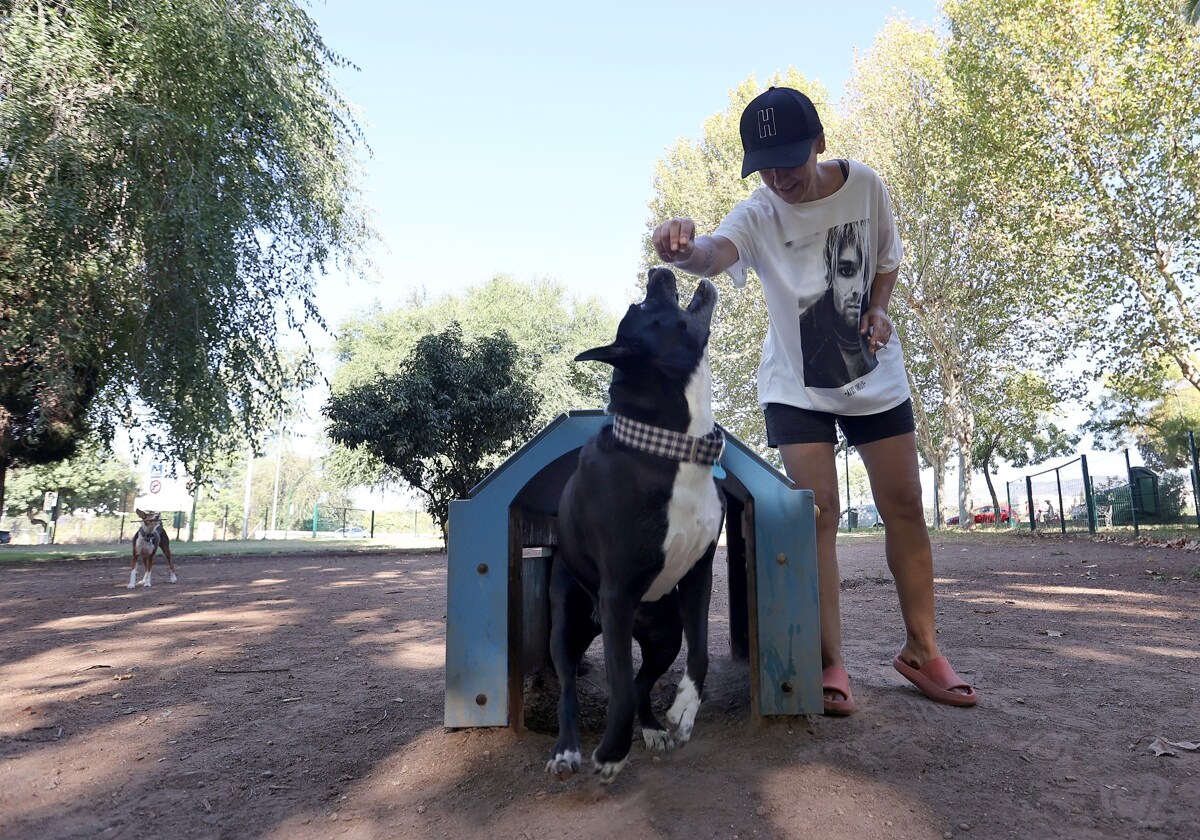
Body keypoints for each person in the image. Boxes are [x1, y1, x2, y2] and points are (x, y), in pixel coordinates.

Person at [651, 86, 977, 714]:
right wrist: (683, 248)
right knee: (818, 514)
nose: (779, 176)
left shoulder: (866, 187)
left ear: (820, 143)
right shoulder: (759, 213)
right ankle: (830, 661)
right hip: (795, 386)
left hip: (873, 375)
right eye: (764, 165)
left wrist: (879, 309)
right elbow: (715, 253)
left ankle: (922, 649)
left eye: (790, 160)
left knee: (904, 505)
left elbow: (885, 259)